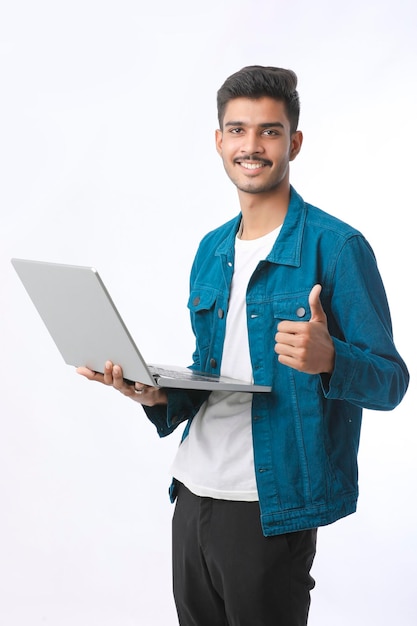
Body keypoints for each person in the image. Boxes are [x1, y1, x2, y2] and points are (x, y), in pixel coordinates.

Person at [77, 66, 409, 625]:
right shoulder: (211, 249)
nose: (251, 146)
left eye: (269, 131)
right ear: (218, 140)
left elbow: (391, 382)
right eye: (237, 130)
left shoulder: (338, 246)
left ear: (294, 142)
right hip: (191, 495)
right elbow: (215, 372)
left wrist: (332, 359)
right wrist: (155, 395)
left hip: (269, 509)